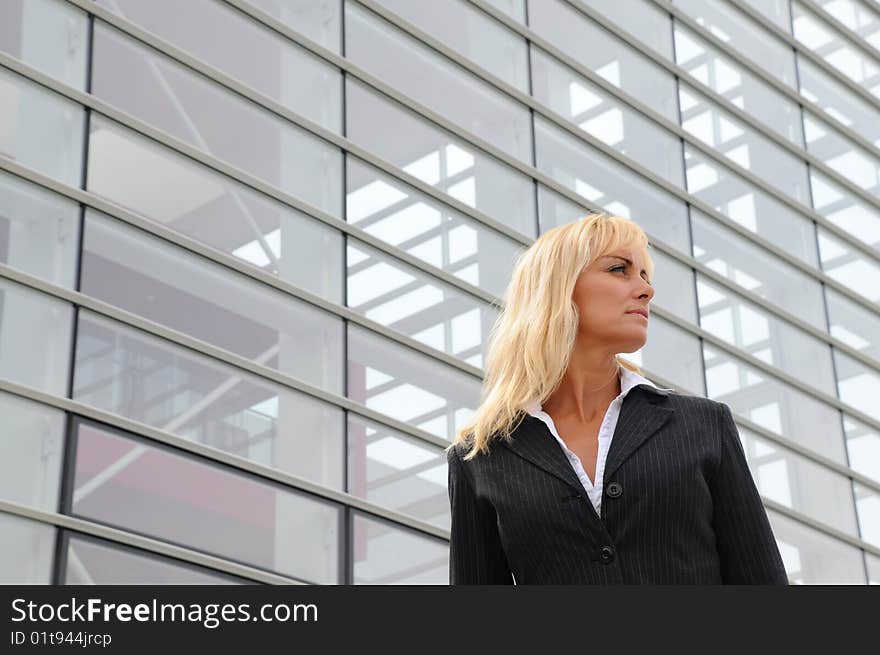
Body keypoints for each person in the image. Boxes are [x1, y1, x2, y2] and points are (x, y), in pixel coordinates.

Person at [446, 213, 788, 585]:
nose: (645, 290)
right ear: (559, 288)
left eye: (644, 275)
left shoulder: (703, 426)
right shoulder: (481, 458)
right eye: (619, 270)